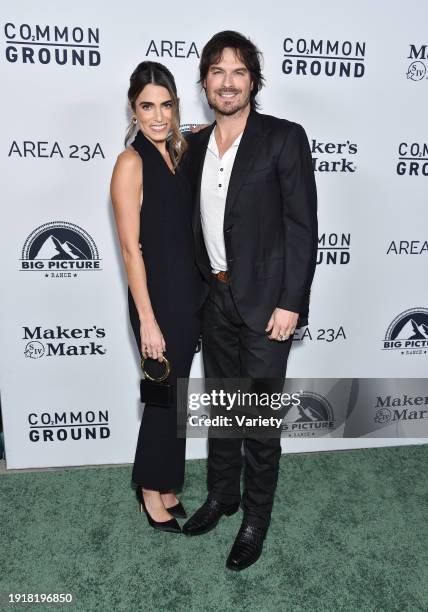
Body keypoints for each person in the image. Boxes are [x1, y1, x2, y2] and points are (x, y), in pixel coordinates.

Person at [182, 31, 318, 570]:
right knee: (222, 409)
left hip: (267, 306)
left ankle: (255, 517)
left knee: (259, 421)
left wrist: (292, 303)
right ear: (205, 83)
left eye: (238, 71)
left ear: (253, 80)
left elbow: (302, 227)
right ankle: (223, 496)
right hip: (212, 298)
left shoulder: (283, 138)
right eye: (217, 71)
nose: (228, 81)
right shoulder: (193, 145)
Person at [110, 61, 204, 533]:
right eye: (148, 106)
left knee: (178, 395)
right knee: (163, 394)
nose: (158, 115)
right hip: (156, 300)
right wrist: (147, 319)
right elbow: (130, 249)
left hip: (187, 294)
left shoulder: (176, 152)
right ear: (133, 109)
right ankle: (149, 490)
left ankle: (168, 483)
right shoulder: (131, 162)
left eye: (166, 105)